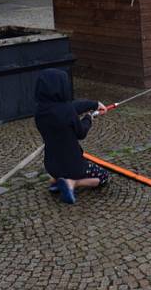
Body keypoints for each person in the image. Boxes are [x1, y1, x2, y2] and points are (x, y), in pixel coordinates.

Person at [34, 68, 109, 204]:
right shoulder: (67, 111)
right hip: (74, 166)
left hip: (51, 165)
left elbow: (72, 106)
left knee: (59, 171)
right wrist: (89, 118)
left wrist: (94, 104)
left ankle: (56, 180)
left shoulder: (40, 111)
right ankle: (72, 183)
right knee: (103, 177)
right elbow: (81, 133)